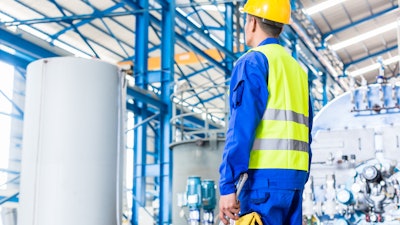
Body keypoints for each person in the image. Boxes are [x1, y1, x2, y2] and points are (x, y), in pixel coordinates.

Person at [218, 0, 313, 225]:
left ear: (252, 22)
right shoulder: (298, 71)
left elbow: (241, 128)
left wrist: (227, 185)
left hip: (263, 183)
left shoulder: (253, 62)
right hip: (294, 182)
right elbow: (307, 132)